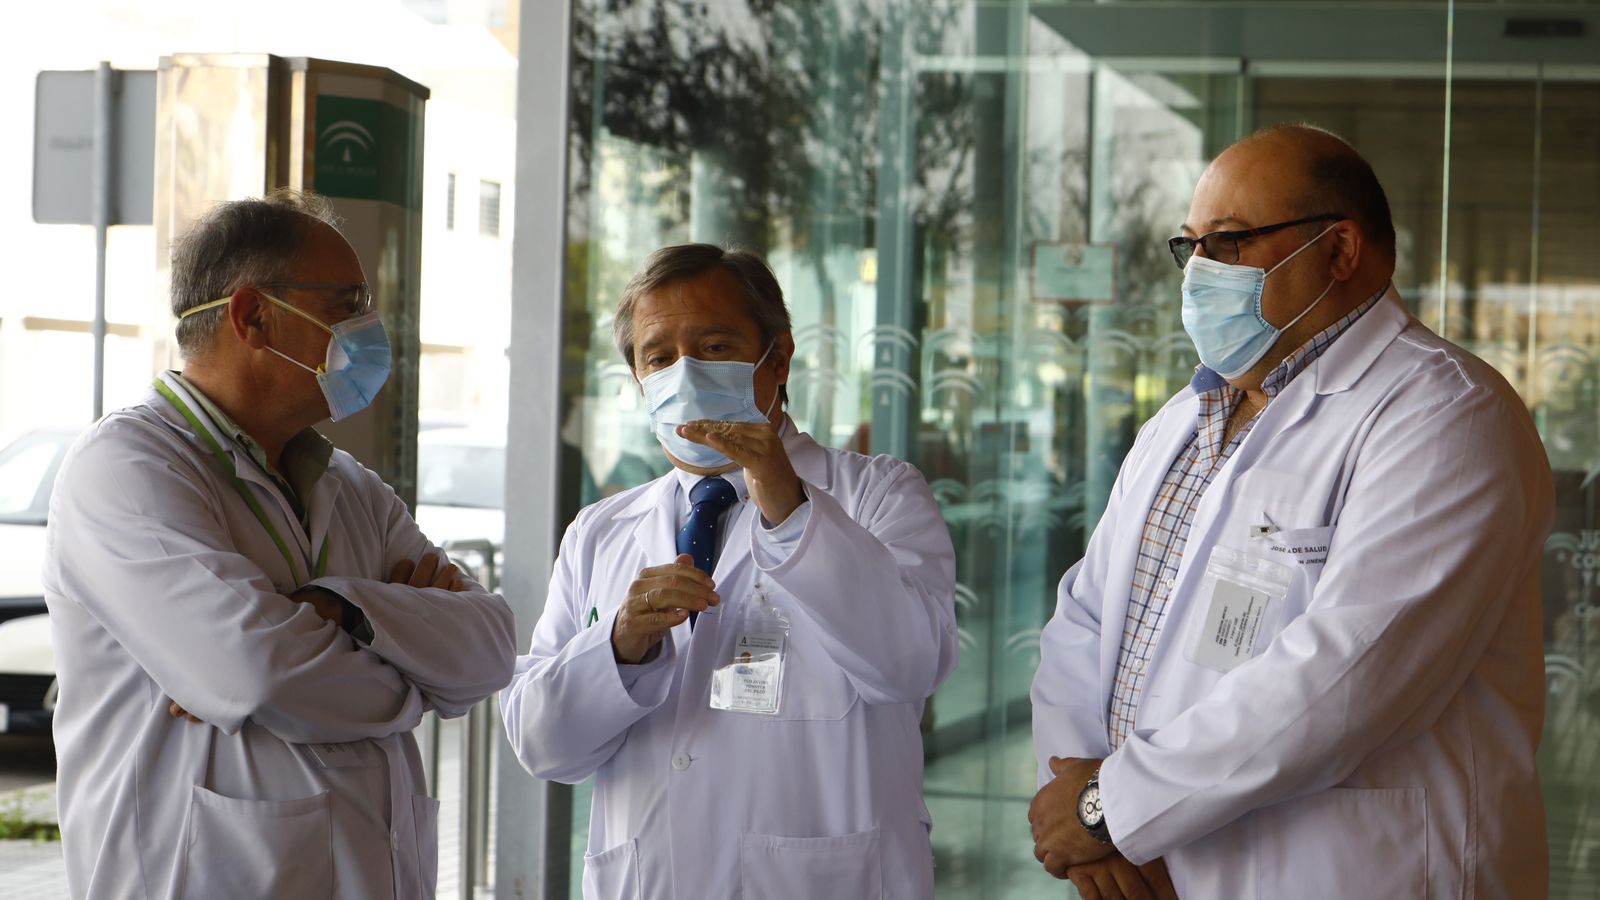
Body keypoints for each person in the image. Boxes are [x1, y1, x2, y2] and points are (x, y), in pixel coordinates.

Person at [1029, 124, 1553, 899]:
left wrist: (1114, 808)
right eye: (1191, 246)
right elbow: (1084, 617)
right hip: (1152, 868)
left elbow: (1346, 679)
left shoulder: (1449, 415)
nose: (1201, 269)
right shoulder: (1184, 417)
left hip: (1356, 873)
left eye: (1231, 242)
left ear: (1339, 251)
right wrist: (1084, 811)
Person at [43, 190, 517, 900]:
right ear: (252, 316)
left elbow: (490, 647)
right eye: (346, 303)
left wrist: (340, 609)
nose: (368, 328)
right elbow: (258, 674)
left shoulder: (348, 484)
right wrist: (417, 675)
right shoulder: (127, 469)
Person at [500, 243, 958, 899]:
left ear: (778, 357)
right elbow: (543, 746)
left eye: (714, 346)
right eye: (659, 357)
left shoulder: (877, 496)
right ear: (637, 379)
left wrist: (789, 505)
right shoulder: (599, 533)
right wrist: (619, 649)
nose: (684, 373)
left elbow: (908, 662)